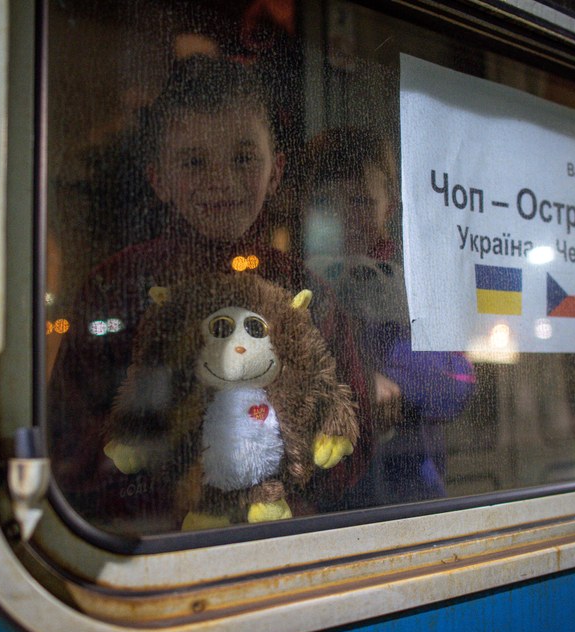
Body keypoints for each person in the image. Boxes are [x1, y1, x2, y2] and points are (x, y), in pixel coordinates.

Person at [47, 56, 371, 533]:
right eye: (194, 161)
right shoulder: (118, 286)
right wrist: (166, 496)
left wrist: (289, 486)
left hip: (279, 535)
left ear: (275, 170)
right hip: (152, 543)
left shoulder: (304, 292)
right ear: (158, 178)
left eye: (243, 157)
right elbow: (73, 441)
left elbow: (350, 439)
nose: (219, 179)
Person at [296, 126, 475, 506]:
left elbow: (457, 385)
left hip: (409, 491)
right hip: (321, 499)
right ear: (305, 207)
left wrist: (389, 374)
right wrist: (359, 379)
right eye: (329, 203)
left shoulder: (410, 286)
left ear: (389, 206)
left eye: (361, 201)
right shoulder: (294, 285)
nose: (345, 217)